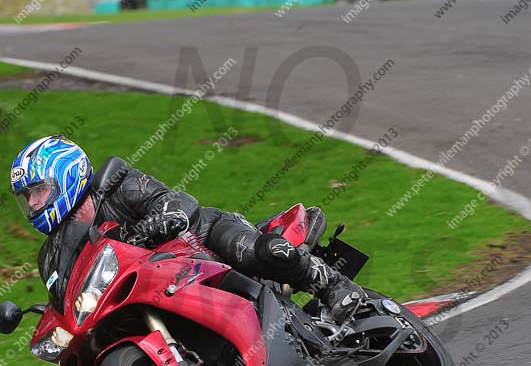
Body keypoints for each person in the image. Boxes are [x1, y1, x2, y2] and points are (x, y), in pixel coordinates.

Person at [10, 135, 365, 322]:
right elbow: (67, 293)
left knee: (263, 250)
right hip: (160, 288)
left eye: (38, 191)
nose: (33, 204)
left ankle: (336, 288)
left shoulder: (119, 185)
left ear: (66, 174)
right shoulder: (59, 249)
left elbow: (179, 203)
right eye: (27, 197)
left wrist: (156, 223)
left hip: (204, 236)